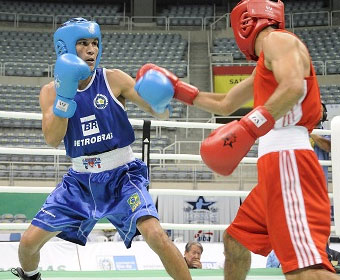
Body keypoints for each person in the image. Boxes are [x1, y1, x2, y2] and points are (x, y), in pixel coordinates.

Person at [133, 0, 339, 279]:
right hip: (274, 166)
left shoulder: (278, 41)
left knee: (305, 271)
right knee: (235, 240)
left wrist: (252, 124)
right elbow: (227, 103)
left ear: (245, 23)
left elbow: (294, 86)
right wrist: (179, 90)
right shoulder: (266, 62)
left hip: (289, 162)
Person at [11, 18, 192, 280]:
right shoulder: (51, 92)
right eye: (83, 43)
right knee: (28, 243)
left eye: (95, 43)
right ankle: (30, 277)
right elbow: (52, 139)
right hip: (80, 182)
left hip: (122, 175)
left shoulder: (113, 79)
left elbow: (158, 112)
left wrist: (162, 98)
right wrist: (65, 98)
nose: (91, 49)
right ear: (66, 49)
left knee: (155, 235)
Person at [310, 102, 331, 183]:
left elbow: (327, 147)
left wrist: (310, 131)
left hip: (320, 179)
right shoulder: (299, 131)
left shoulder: (328, 132)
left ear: (324, 115)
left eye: (319, 111)